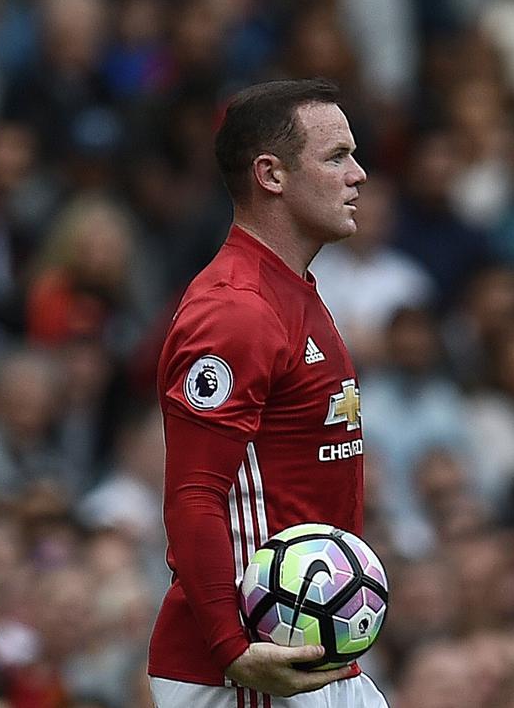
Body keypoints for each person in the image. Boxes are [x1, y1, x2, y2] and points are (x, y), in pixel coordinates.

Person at [148, 79, 388, 706]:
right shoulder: (237, 310)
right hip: (252, 664)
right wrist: (232, 649)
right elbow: (193, 495)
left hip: (310, 650)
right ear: (270, 175)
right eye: (336, 157)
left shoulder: (291, 289)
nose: (358, 174)